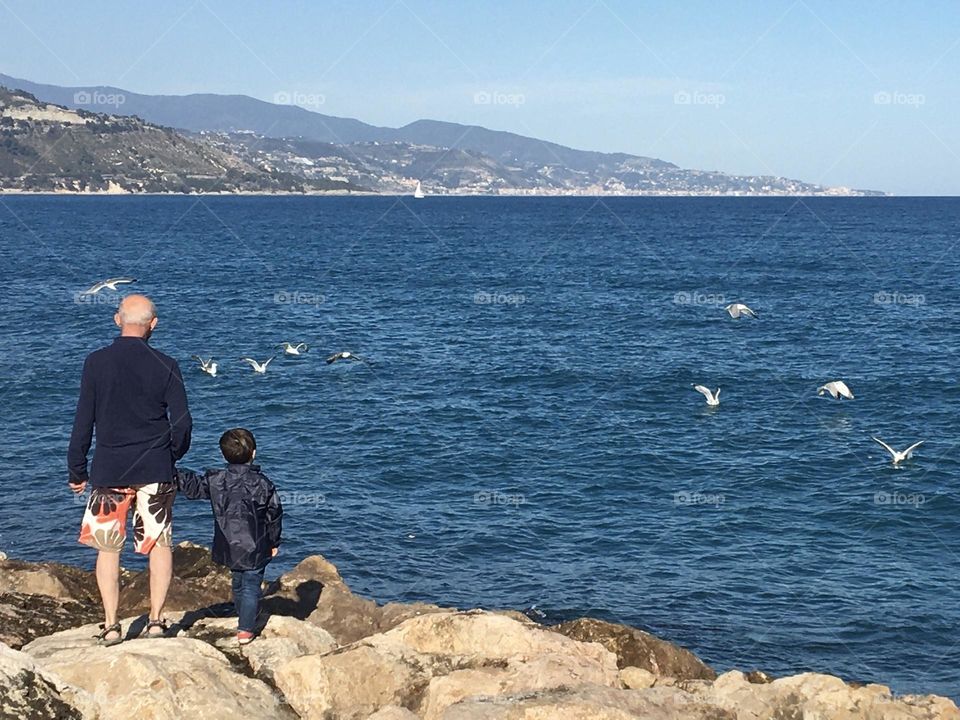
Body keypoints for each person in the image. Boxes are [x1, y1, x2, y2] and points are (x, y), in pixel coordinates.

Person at [68, 294, 192, 645]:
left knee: (108, 548)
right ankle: (156, 621)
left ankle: (111, 625)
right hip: (155, 467)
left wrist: (77, 469)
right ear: (153, 324)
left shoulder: (96, 362)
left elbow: (84, 421)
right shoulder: (167, 364)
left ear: (117, 319)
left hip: (110, 468)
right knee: (159, 544)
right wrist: (171, 454)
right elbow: (182, 422)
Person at [176, 428, 283, 644]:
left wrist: (171, 471)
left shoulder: (216, 480)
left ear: (223, 454)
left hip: (228, 544)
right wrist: (274, 542)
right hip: (256, 545)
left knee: (238, 582)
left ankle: (243, 616)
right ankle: (245, 628)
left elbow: (192, 486)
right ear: (253, 453)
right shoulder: (263, 483)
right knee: (251, 585)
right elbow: (274, 515)